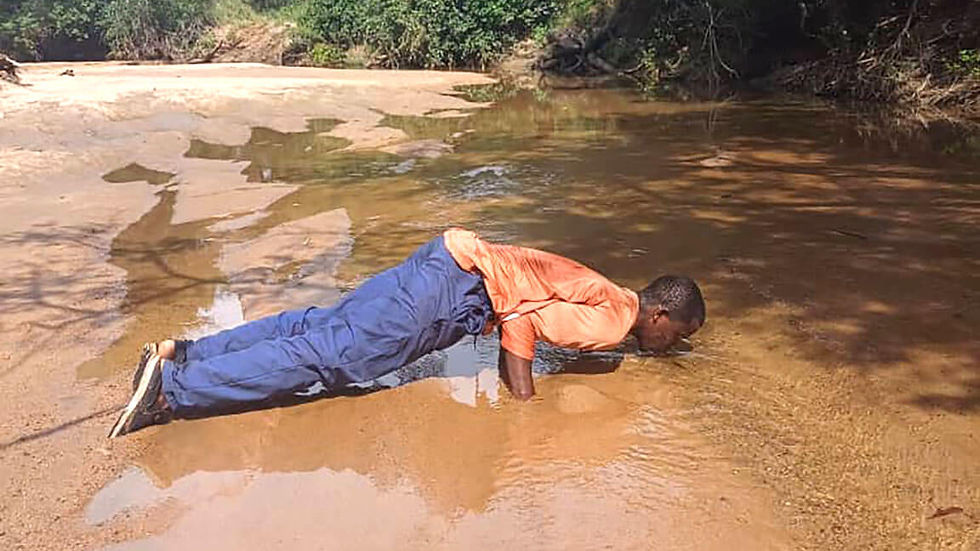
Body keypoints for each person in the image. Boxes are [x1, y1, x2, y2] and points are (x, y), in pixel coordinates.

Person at [109, 228, 706, 438]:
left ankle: (182, 352)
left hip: (445, 259)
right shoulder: (613, 322)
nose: (672, 345)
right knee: (332, 355)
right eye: (677, 336)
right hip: (453, 292)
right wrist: (523, 409)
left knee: (317, 323)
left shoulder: (610, 292)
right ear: (658, 316)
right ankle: (172, 392)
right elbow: (523, 321)